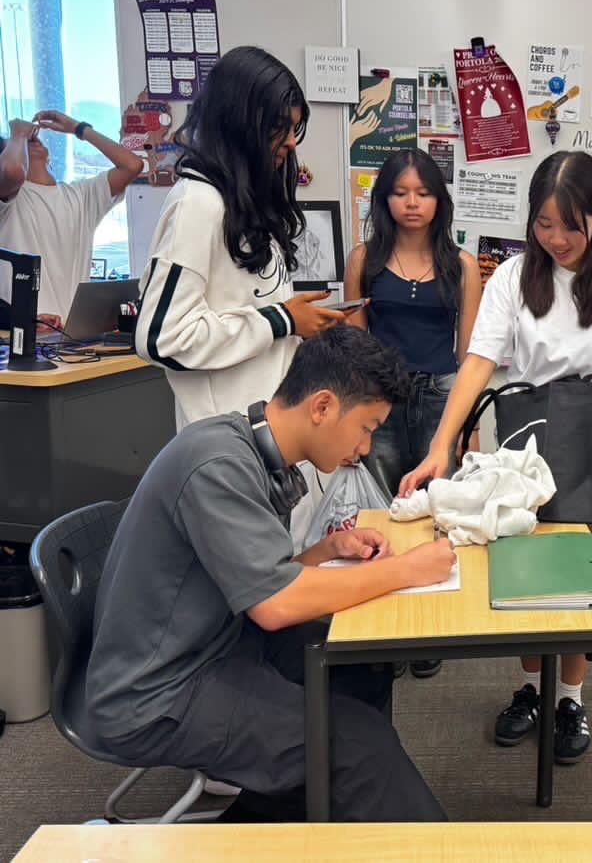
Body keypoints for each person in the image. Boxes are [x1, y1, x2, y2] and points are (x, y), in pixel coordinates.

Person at [85, 325, 454, 823]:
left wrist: (325, 550)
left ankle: (282, 820)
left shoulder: (251, 450)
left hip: (212, 643)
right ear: (322, 407)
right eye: (367, 428)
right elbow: (276, 605)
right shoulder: (217, 464)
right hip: (157, 692)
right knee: (360, 747)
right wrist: (408, 571)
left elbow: (257, 580)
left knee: (358, 664)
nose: (366, 448)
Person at [400, 150, 592, 763]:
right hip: (527, 444)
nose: (557, 239)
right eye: (544, 225)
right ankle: (528, 688)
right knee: (522, 573)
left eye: (570, 225)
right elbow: (479, 362)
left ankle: (569, 695)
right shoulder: (515, 277)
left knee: (576, 576)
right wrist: (443, 444)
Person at [135, 45, 350, 430]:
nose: (291, 143)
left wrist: (297, 326)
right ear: (240, 124)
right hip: (226, 448)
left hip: (265, 439)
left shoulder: (243, 205)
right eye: (280, 128)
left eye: (293, 129)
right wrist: (281, 320)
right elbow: (161, 338)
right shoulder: (197, 204)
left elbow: (252, 323)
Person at [344, 148, 481, 681]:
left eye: (423, 193)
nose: (412, 203)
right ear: (384, 199)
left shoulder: (462, 265)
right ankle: (383, 613)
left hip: (440, 392)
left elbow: (471, 352)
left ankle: (430, 620)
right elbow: (353, 343)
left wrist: (464, 430)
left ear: (439, 200)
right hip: (380, 396)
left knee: (435, 505)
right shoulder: (364, 260)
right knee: (381, 504)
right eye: (400, 193)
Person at [0, 111, 143, 326]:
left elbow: (132, 165)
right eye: (21, 145)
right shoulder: (9, 200)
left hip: (74, 336)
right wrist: (17, 134)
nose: (32, 140)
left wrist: (78, 128)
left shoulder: (80, 195)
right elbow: (12, 171)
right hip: (28, 334)